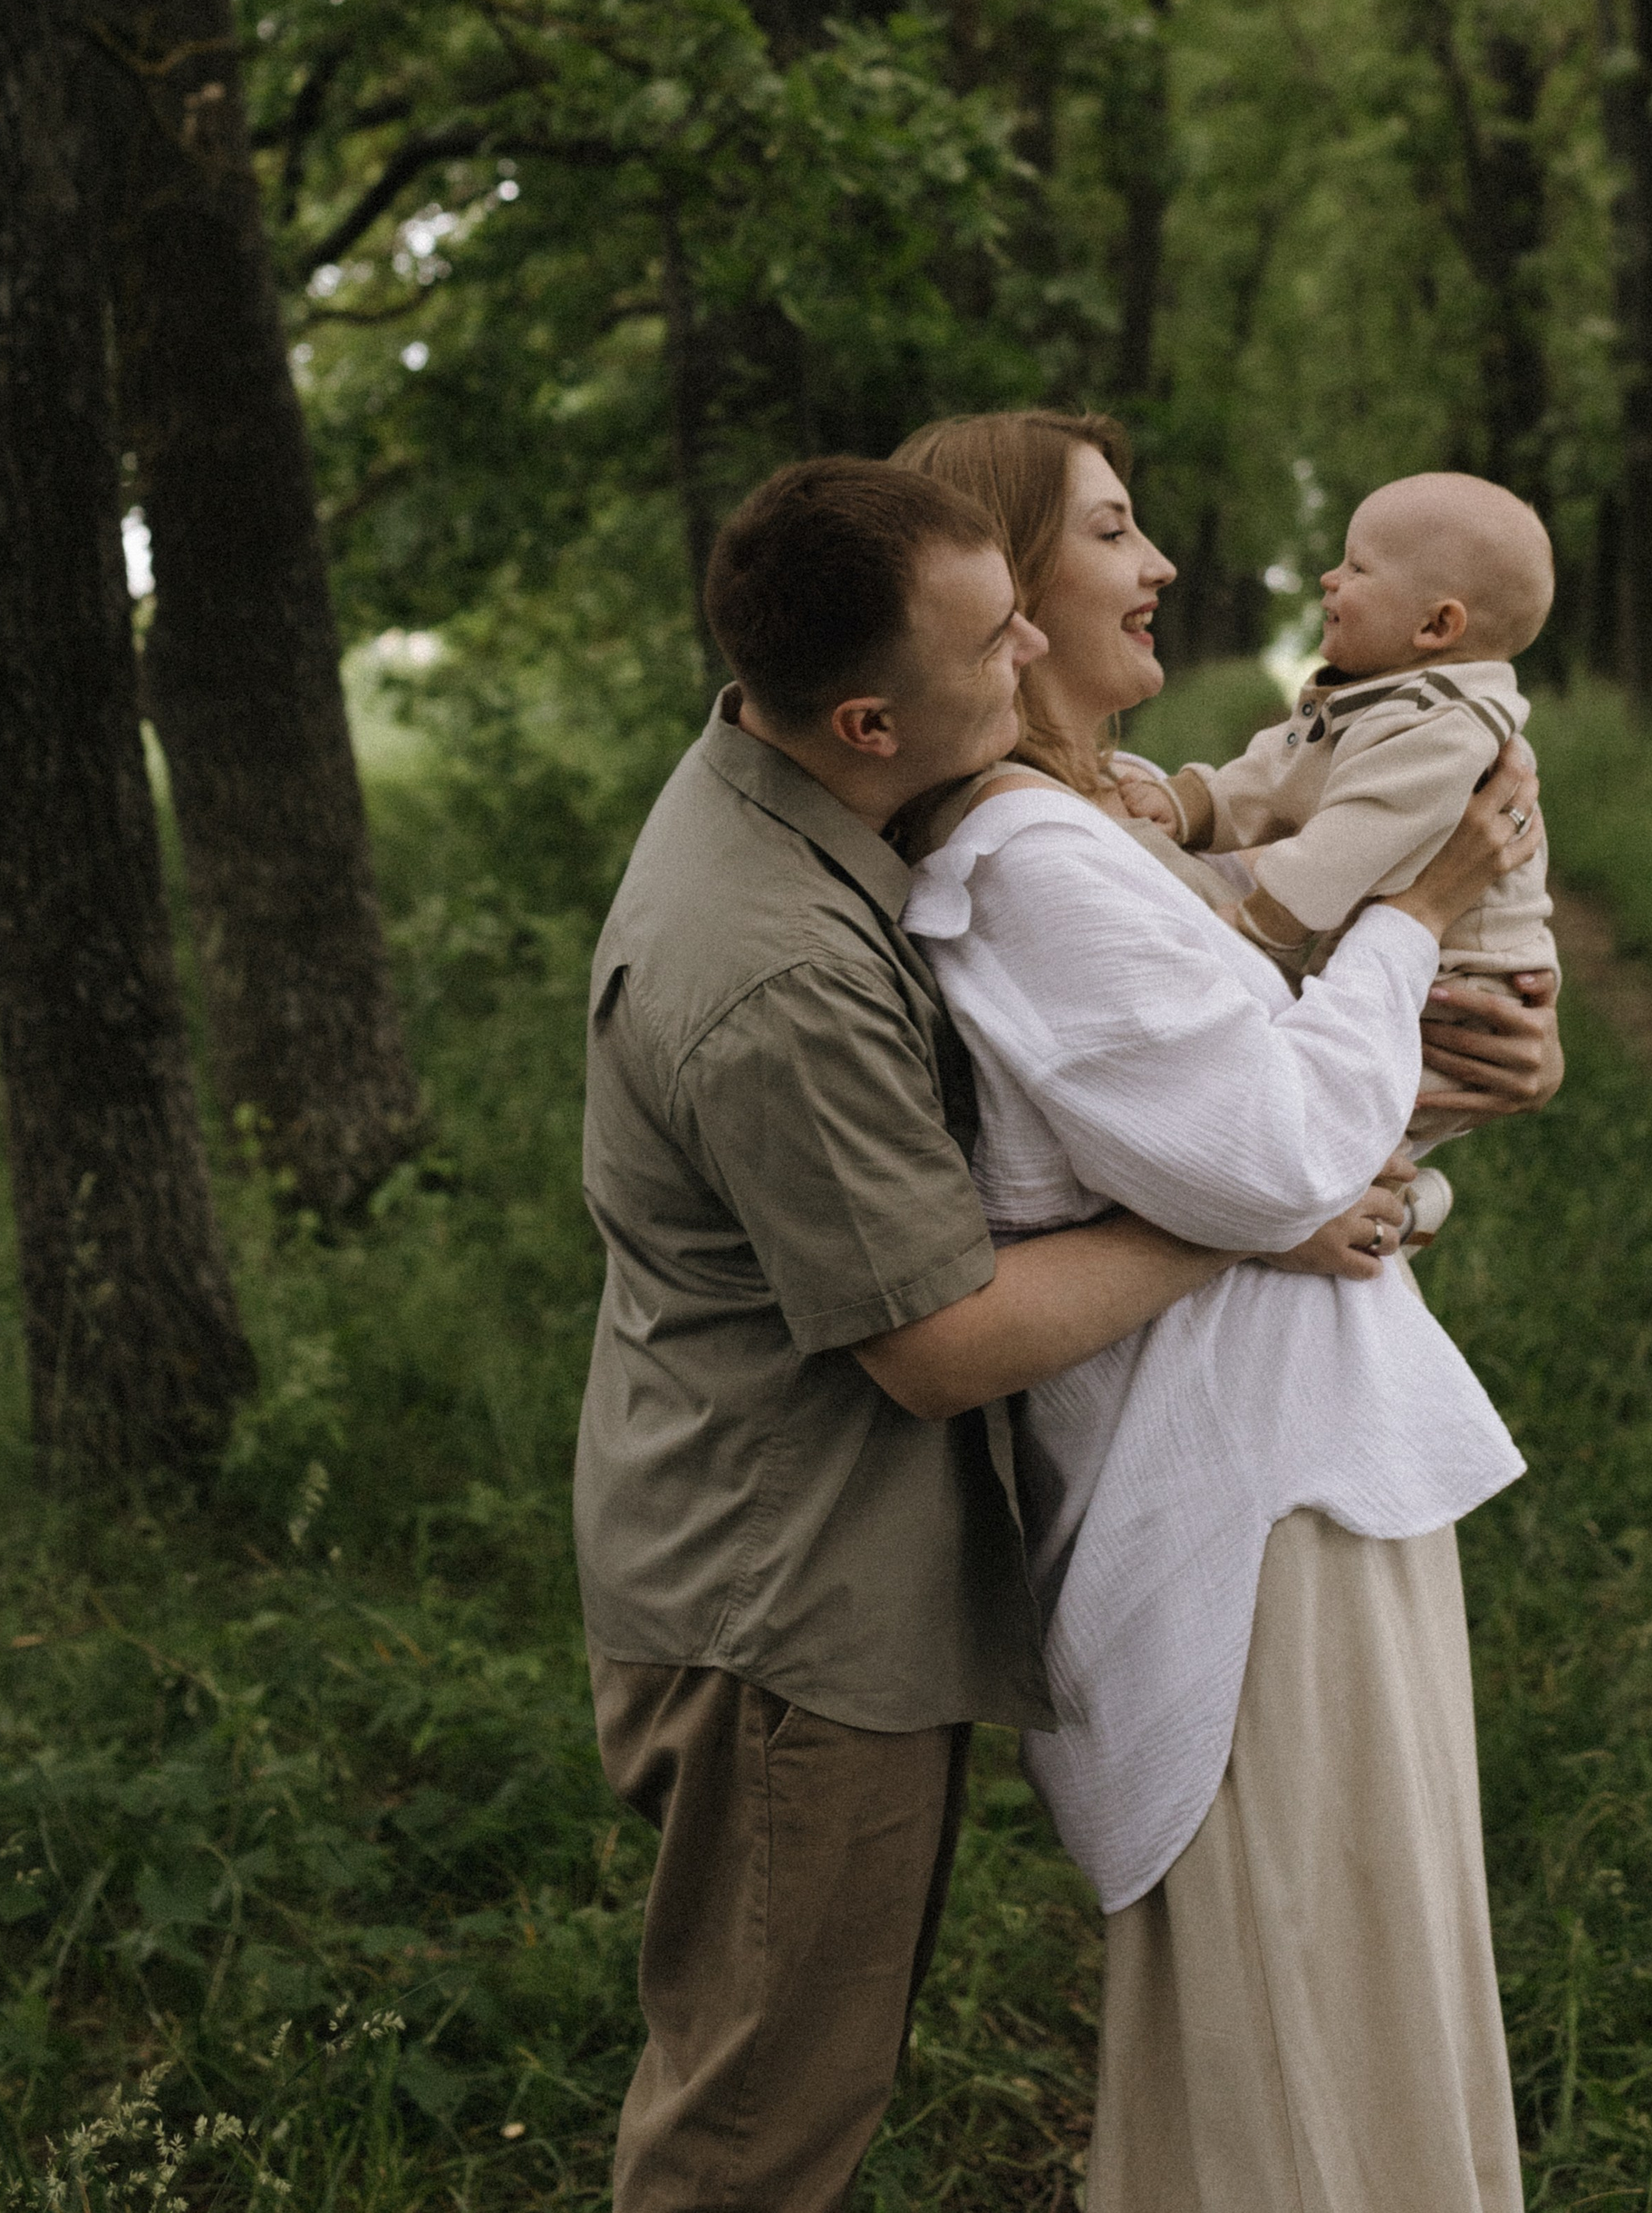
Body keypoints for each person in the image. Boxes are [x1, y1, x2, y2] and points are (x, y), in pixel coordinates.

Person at [570, 455, 1492, 2213]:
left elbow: (1186, 1034)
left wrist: (1387, 1090)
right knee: (757, 2125)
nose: (1021, 665)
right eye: (992, 640)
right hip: (784, 1599)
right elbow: (935, 1339)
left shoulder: (826, 811)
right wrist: (1250, 1212)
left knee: (798, 2084)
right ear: (862, 715)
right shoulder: (775, 964)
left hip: (836, 1561)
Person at [891, 409, 1562, 2213]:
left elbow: (1269, 1098)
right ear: (1001, 592)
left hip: (1298, 1459)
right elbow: (1266, 1145)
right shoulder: (1028, 857)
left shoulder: (1087, 829)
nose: (1159, 561)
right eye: (1111, 531)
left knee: (1360, 1935)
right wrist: (1419, 916)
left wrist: (1452, 1077)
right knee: (1308, 1963)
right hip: (1236, 1489)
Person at [1118, 469, 1559, 1139]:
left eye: (1357, 566)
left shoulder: (1446, 726)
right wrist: (1191, 803)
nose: (1330, 578)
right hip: (1397, 965)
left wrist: (1256, 928)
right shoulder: (1379, 697)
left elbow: (1351, 841)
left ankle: (1399, 1197)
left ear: (1436, 624)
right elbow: (1276, 771)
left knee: (1346, 1125)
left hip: (1462, 994)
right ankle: (1393, 1202)